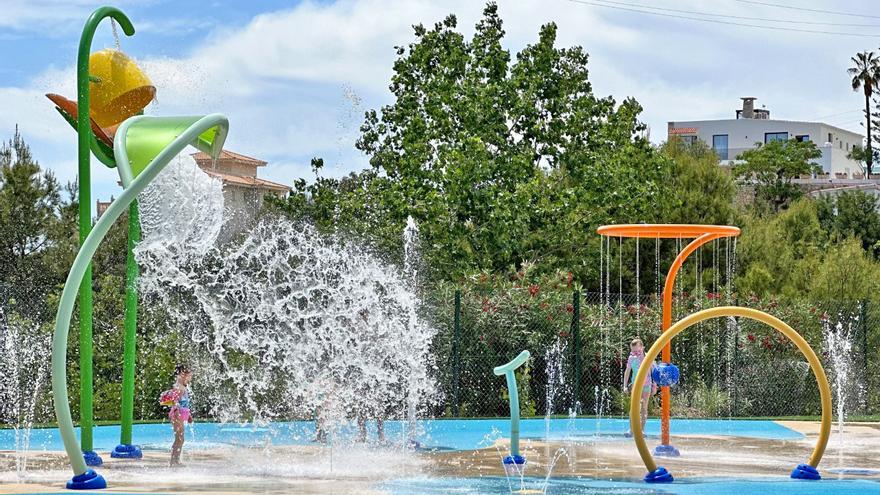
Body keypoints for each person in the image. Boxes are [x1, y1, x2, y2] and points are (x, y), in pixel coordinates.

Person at [622, 337, 657, 437]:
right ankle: (631, 429)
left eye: (637, 351)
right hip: (635, 385)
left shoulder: (648, 357)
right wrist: (625, 386)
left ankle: (641, 430)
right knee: (634, 407)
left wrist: (654, 385)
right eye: (633, 351)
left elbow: (654, 372)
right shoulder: (631, 358)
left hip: (646, 385)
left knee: (644, 407)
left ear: (642, 347)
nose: (635, 353)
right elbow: (627, 371)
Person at [164, 364, 193, 467]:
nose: (190, 379)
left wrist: (188, 415)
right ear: (182, 374)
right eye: (189, 376)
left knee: (181, 438)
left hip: (181, 414)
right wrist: (176, 411)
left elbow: (184, 403)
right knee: (179, 438)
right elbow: (175, 401)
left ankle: (176, 460)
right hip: (177, 414)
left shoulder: (182, 387)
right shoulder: (178, 387)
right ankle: (174, 461)